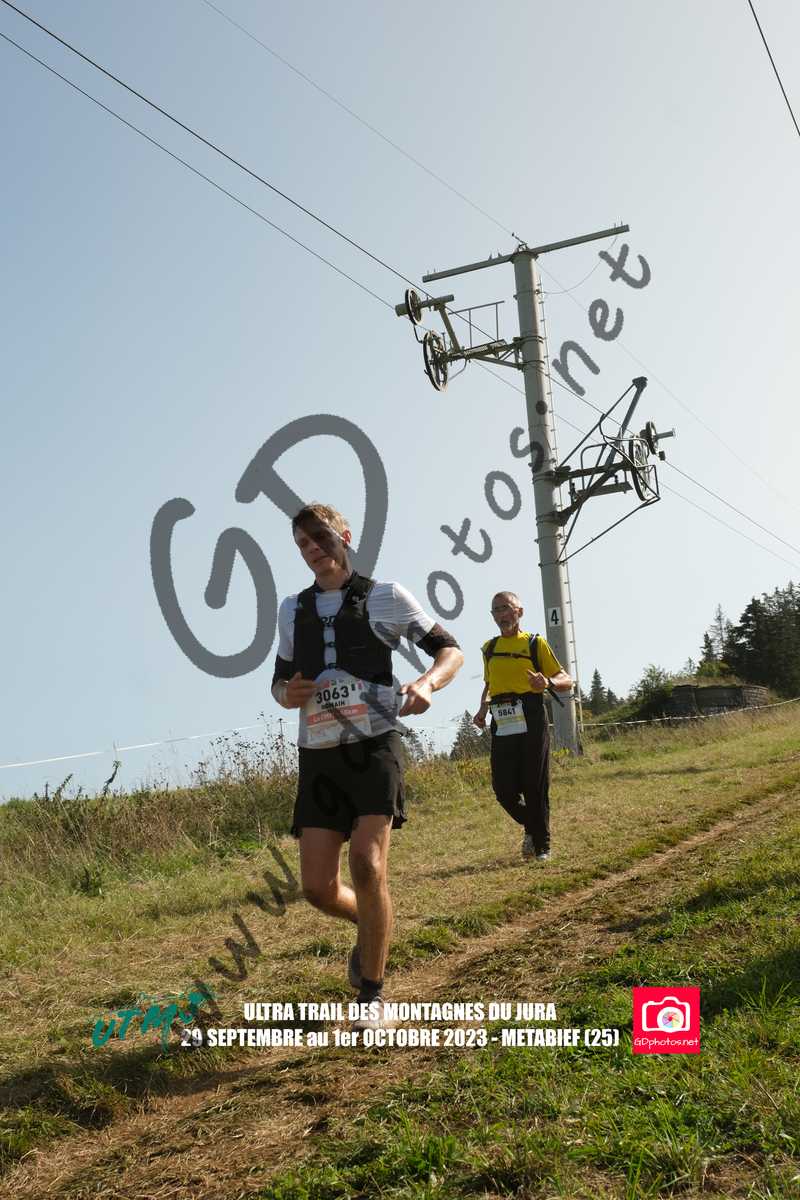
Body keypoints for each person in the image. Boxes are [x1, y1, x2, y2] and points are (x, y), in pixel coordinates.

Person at [272, 503, 463, 1027]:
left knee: (368, 863)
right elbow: (279, 683)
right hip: (319, 754)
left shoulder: (387, 596)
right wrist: (288, 694)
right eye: (303, 544)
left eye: (320, 537)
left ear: (345, 535)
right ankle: (372, 923)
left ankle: (373, 997)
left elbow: (450, 651)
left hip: (375, 746)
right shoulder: (291, 609)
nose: (313, 549)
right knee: (317, 888)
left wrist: (427, 683)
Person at [473, 591, 572, 862]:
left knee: (534, 782)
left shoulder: (534, 643)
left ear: (519, 612)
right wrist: (482, 708)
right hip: (501, 716)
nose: (501, 615)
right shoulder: (489, 648)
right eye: (496, 610)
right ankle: (533, 825)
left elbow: (566, 679)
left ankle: (542, 846)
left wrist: (548, 682)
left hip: (530, 711)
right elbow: (489, 684)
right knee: (503, 788)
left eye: (506, 608)